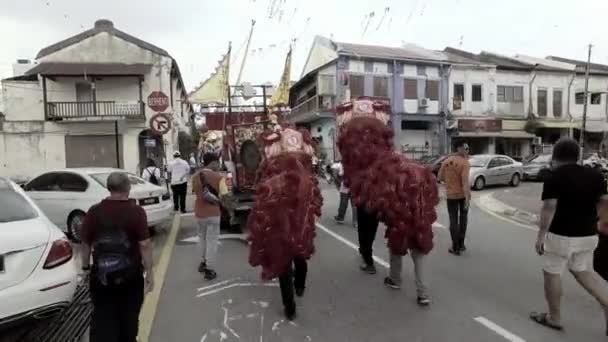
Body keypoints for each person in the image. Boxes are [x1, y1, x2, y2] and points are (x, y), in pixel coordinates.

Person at [530, 138, 608, 332]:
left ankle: (554, 317)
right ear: (578, 156)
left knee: (552, 273)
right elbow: (604, 202)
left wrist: (541, 236)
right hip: (589, 235)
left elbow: (549, 207)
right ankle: (607, 303)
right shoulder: (595, 175)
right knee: (581, 269)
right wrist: (597, 220)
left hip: (561, 235)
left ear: (555, 156)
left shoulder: (553, 176)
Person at [80, 172, 154, 342]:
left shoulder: (94, 211)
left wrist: (85, 267)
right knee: (128, 318)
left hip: (101, 278)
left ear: (109, 188)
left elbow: (85, 243)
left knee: (103, 317)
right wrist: (149, 272)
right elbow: (145, 244)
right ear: (128, 187)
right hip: (130, 278)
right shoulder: (136, 212)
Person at [191, 152, 229, 280]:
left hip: (199, 213)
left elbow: (194, 192)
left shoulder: (195, 176)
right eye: (217, 162)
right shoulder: (219, 177)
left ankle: (203, 262)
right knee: (212, 241)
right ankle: (209, 268)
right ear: (212, 162)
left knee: (201, 238)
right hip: (213, 213)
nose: (218, 165)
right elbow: (224, 195)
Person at [438, 141, 471, 255]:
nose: (467, 151)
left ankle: (455, 246)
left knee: (453, 220)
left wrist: (449, 183)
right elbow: (465, 181)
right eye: (466, 149)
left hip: (451, 195)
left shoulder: (446, 162)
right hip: (462, 195)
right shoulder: (464, 163)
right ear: (459, 148)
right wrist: (467, 197)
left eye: (468, 149)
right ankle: (460, 244)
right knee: (463, 220)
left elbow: (440, 177)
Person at [333, 161, 357, 227]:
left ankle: (341, 218)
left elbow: (336, 175)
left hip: (345, 186)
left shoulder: (342, 164)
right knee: (355, 204)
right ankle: (356, 221)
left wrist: (338, 183)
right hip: (355, 186)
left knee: (343, 202)